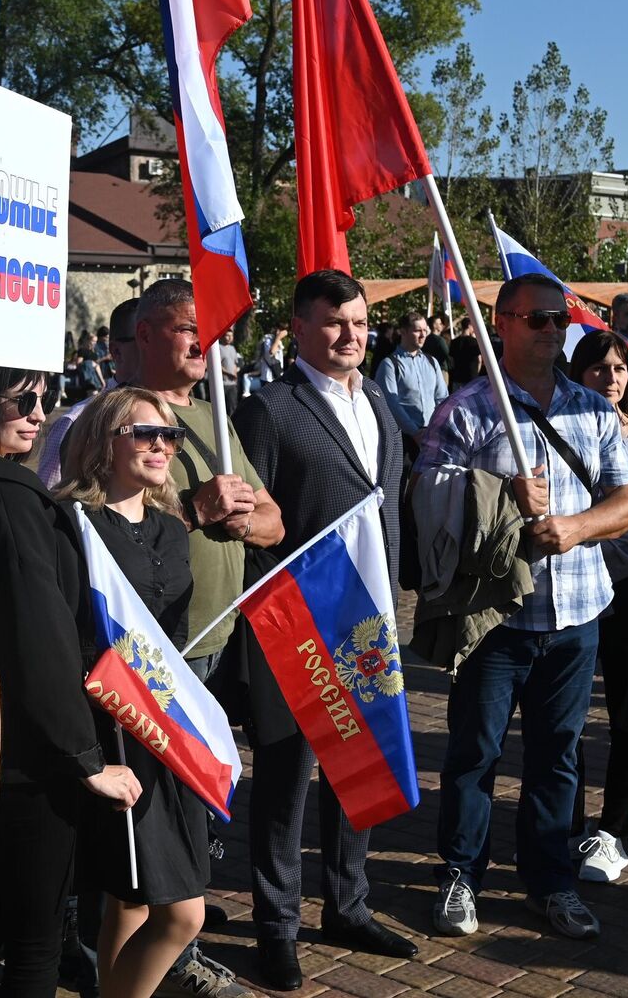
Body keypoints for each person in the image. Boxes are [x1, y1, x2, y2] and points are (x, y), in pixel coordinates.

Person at [419, 275, 628, 941]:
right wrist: (492, 492)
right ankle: (461, 874)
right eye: (540, 320)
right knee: (474, 754)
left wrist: (574, 527)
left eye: (560, 321)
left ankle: (551, 882)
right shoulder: (465, 410)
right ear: (505, 322)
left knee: (558, 757)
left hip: (575, 619)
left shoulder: (591, 409)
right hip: (496, 618)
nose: (553, 332)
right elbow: (426, 495)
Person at [234, 270, 417, 991]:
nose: (352, 336)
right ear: (299, 328)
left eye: (362, 324)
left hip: (371, 620)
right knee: (287, 783)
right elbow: (253, 526)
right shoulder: (269, 410)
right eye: (336, 323)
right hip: (301, 623)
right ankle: (275, 926)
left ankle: (348, 904)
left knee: (360, 765)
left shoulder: (378, 400)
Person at [0, 367, 142, 997]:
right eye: (20, 400)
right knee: (32, 937)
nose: (37, 413)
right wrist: (84, 760)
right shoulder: (8, 497)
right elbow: (40, 638)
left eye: (46, 400)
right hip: (30, 758)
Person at [131, 278, 279, 998]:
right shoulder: (120, 418)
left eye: (210, 331)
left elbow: (273, 522)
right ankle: (147, 951)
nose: (202, 343)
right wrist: (195, 509)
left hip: (218, 643)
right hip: (158, 652)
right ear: (144, 337)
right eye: (187, 328)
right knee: (149, 820)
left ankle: (168, 935)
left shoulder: (214, 420)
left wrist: (241, 517)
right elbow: (100, 531)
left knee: (196, 806)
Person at [53, 387, 204, 998]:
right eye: (146, 433)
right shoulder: (71, 525)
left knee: (133, 902)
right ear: (104, 440)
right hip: (108, 730)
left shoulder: (172, 530)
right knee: (180, 913)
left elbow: (176, 642)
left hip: (166, 733)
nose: (162, 445)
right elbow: (62, 637)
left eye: (171, 436)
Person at [562, 331, 628, 885]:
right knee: (569, 714)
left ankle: (615, 829)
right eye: (599, 369)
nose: (611, 378)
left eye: (619, 368)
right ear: (577, 373)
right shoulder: (559, 427)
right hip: (574, 585)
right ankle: (570, 821)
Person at [40, 298, 140, 488]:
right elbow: (50, 496)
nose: (159, 349)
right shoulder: (74, 422)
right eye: (143, 339)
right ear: (116, 351)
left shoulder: (205, 413)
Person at [374, 309, 449, 454]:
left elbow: (442, 398)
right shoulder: (390, 364)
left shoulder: (431, 362)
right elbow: (391, 403)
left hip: (431, 435)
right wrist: (414, 432)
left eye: (424, 330)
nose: (422, 335)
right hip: (403, 439)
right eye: (417, 331)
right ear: (403, 332)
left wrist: (439, 427)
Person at [216, 326, 243, 412]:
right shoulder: (218, 348)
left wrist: (235, 373)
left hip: (233, 383)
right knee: (222, 409)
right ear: (222, 336)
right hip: (223, 383)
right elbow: (217, 365)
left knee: (233, 407)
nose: (229, 338)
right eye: (227, 335)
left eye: (231, 336)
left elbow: (235, 363)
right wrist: (228, 374)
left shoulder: (232, 348)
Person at [425, 312, 453, 383]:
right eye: (440, 323)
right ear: (434, 325)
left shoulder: (426, 339)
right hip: (441, 370)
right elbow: (447, 354)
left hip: (428, 370)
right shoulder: (440, 340)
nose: (442, 325)